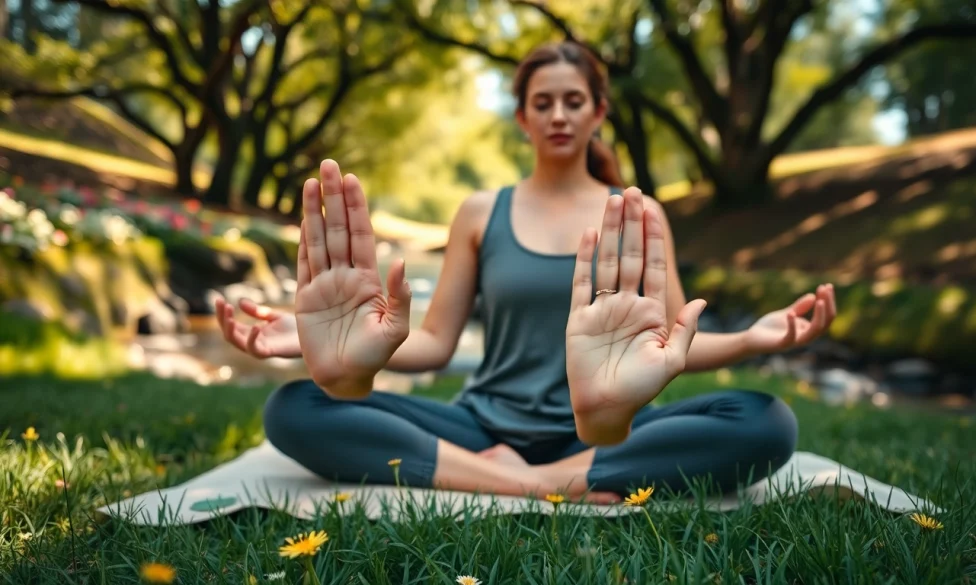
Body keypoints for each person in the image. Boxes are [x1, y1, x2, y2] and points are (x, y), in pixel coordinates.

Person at [214, 41, 836, 504]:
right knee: (295, 406)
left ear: (598, 111)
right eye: (543, 103)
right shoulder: (481, 213)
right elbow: (435, 343)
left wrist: (752, 339)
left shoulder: (638, 214)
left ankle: (535, 475)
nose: (559, 114)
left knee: (765, 421)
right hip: (482, 426)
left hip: (603, 427)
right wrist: (324, 341)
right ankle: (531, 483)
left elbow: (672, 341)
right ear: (523, 118)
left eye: (574, 101)